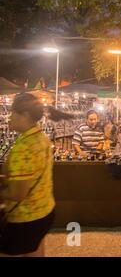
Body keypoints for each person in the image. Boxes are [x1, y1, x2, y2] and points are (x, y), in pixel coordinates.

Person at [0, 93, 72, 256]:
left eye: (12, 113)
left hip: (25, 218)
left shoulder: (24, 147)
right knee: (35, 249)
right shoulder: (41, 138)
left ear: (24, 115)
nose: (8, 117)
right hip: (44, 211)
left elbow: (17, 193)